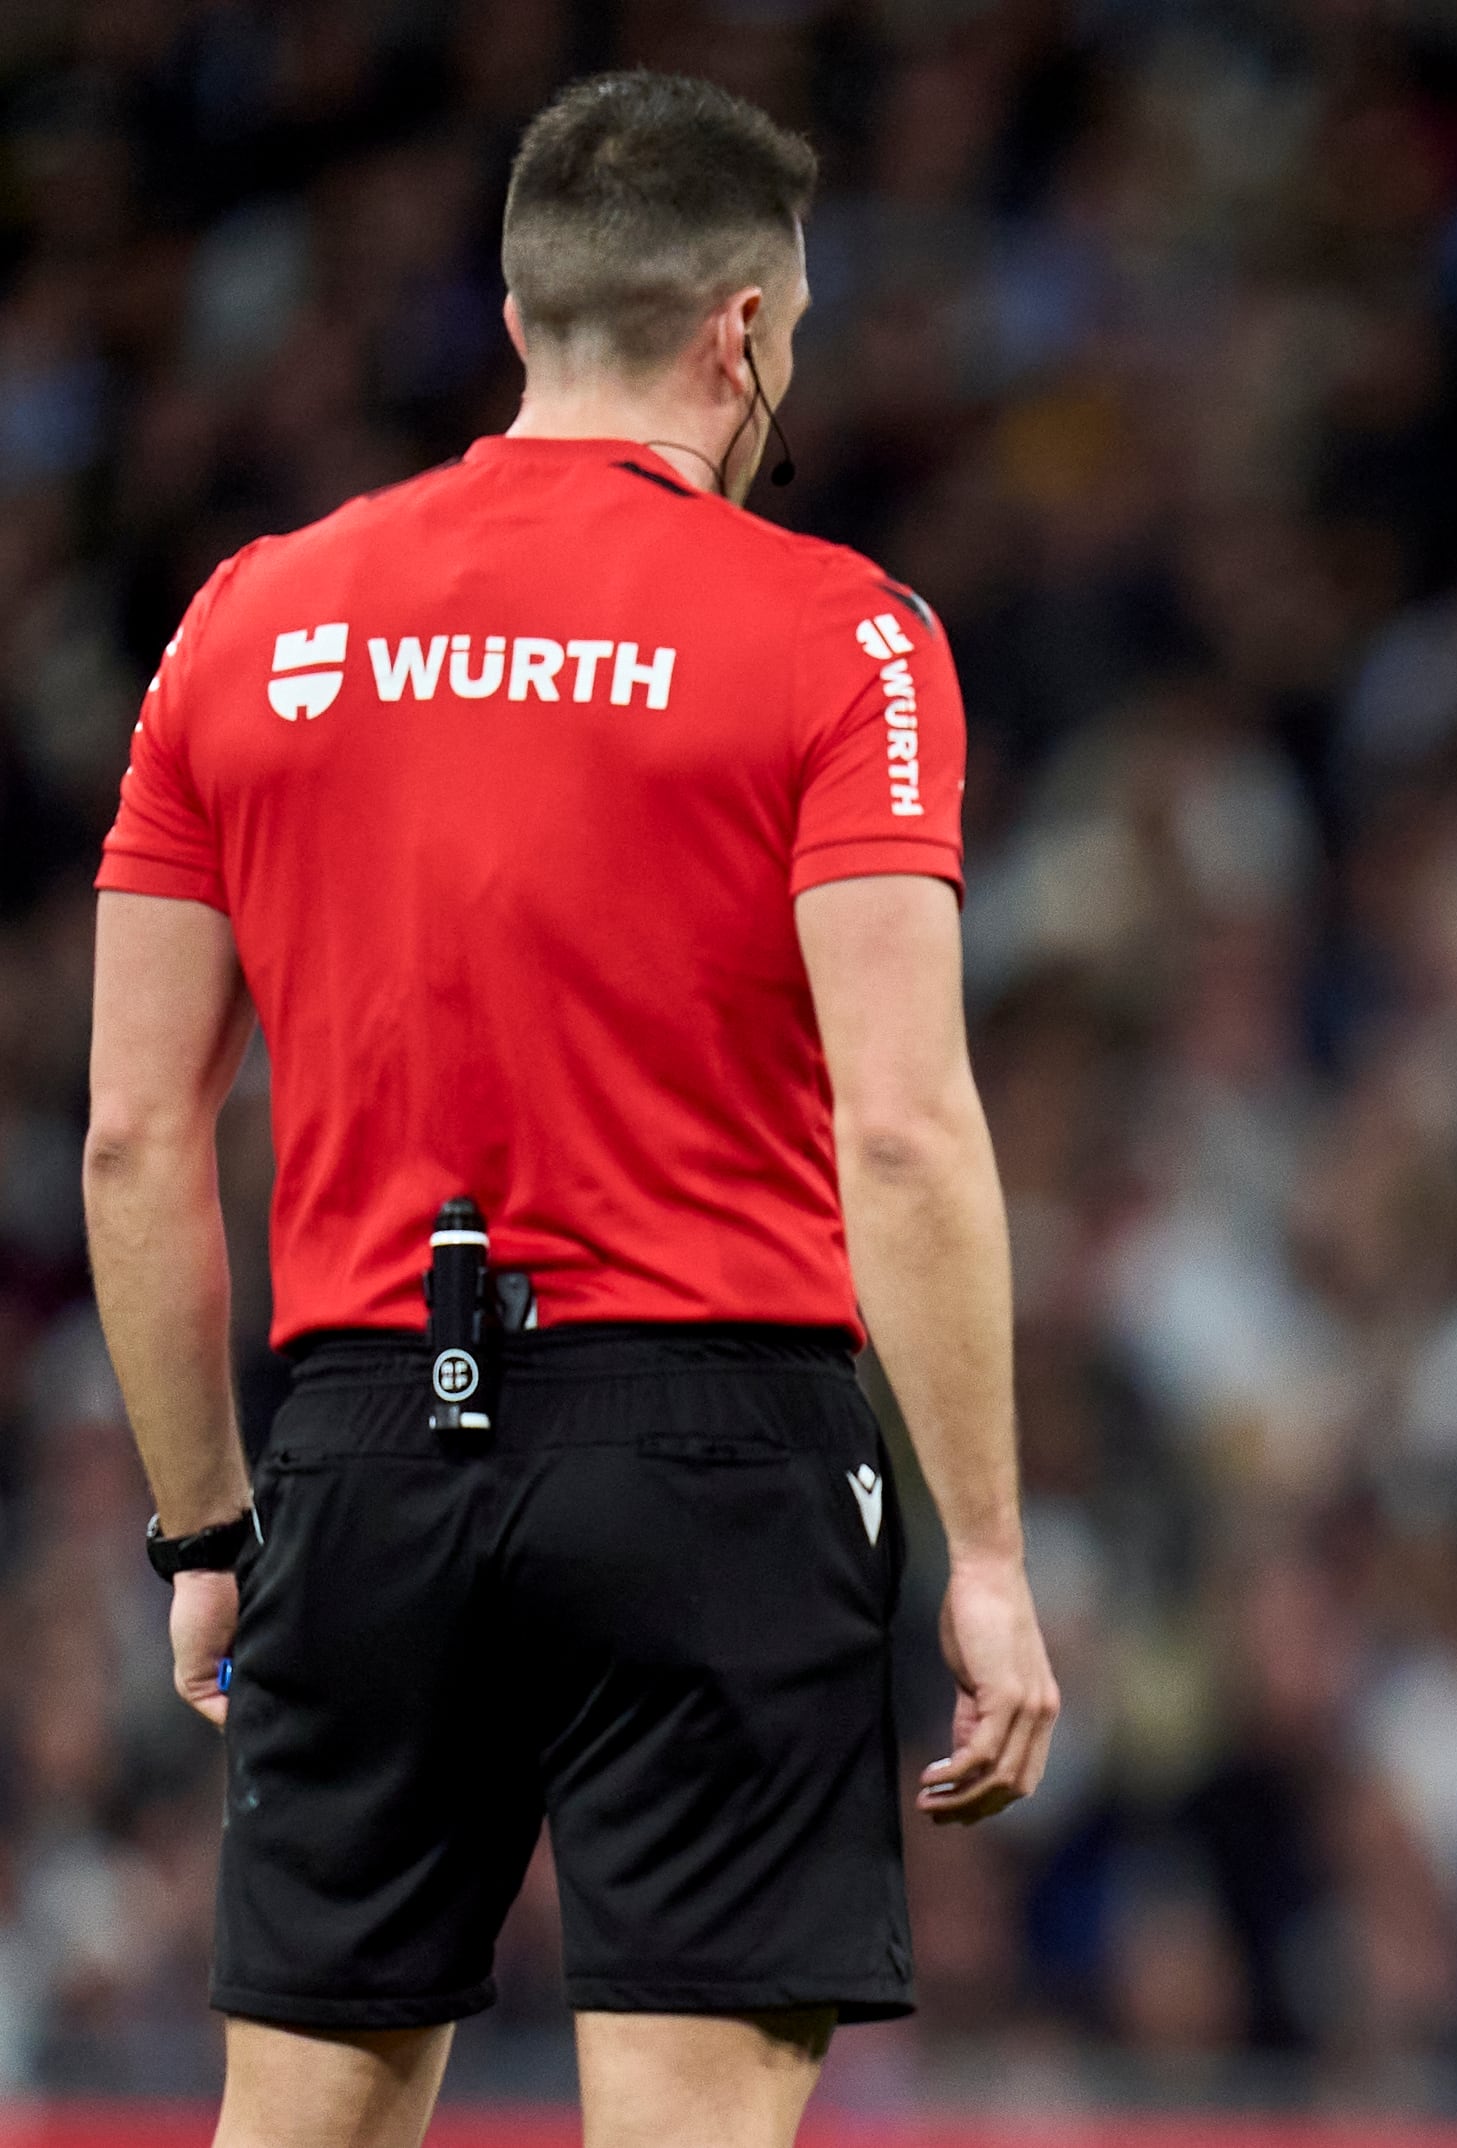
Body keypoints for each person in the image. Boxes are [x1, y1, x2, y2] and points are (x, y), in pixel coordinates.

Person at [81, 71, 1058, 2148]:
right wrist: (983, 1548)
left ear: (525, 325)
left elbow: (137, 1140)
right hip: (714, 1446)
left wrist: (201, 1531)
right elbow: (898, 1126)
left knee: (300, 2121)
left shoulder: (243, 623)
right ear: (744, 335)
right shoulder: (845, 637)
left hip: (358, 1451)